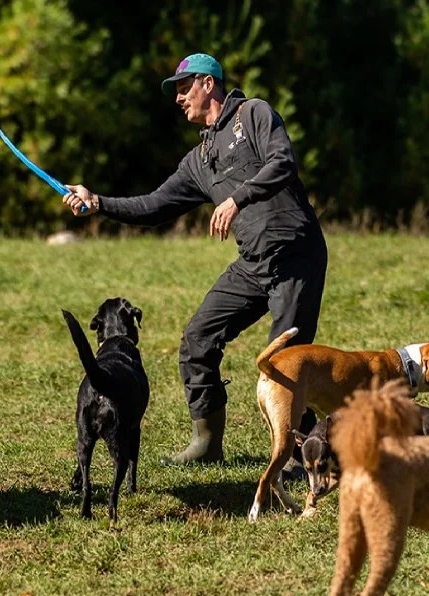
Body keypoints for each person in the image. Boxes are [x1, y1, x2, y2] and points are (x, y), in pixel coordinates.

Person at [63, 53, 326, 464]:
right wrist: (99, 203)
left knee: (285, 362)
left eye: (184, 88)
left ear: (208, 84)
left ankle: (300, 456)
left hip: (296, 255)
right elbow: (154, 205)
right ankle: (207, 444)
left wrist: (237, 198)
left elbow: (283, 162)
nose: (178, 98)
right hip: (253, 263)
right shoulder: (200, 159)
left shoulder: (252, 115)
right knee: (198, 338)